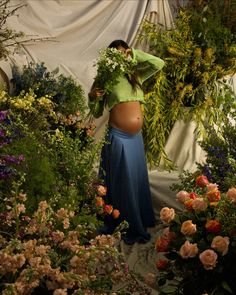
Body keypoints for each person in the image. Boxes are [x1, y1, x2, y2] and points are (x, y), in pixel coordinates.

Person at [88, 40, 165, 245]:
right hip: (119, 137)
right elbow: (96, 111)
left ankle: (140, 218)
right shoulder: (105, 78)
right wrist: (92, 96)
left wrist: (135, 54)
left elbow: (159, 63)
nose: (122, 57)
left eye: (125, 53)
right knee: (125, 183)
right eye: (117, 54)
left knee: (137, 180)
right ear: (110, 57)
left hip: (135, 139)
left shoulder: (136, 76)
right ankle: (127, 225)